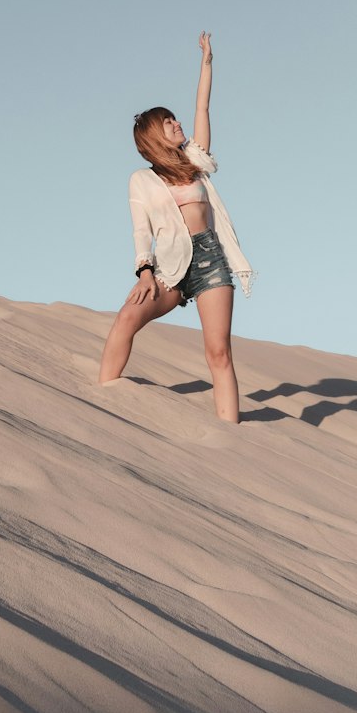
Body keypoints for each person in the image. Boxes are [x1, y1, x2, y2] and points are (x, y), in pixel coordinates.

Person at [97, 32, 255, 423]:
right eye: (168, 122)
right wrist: (144, 271)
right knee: (126, 318)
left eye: (175, 118)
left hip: (210, 260)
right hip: (169, 266)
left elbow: (203, 106)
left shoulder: (195, 162)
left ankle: (231, 433)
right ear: (154, 136)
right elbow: (140, 230)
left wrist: (206, 63)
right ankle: (101, 401)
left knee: (218, 351)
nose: (177, 123)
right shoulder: (142, 180)